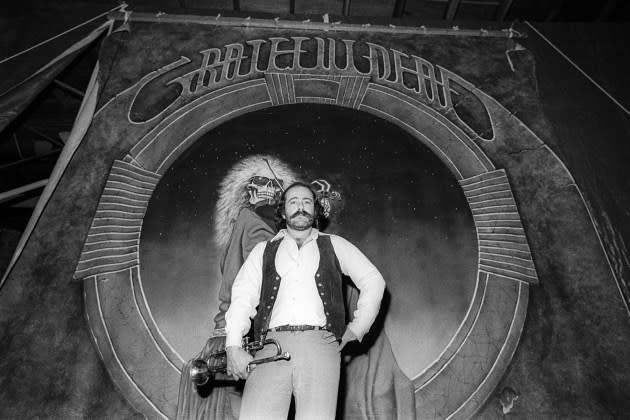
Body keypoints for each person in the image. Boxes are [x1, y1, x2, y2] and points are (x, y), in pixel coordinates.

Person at [225, 182, 386, 419]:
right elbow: (241, 297)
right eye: (293, 202)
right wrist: (233, 346)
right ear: (282, 212)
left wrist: (357, 328)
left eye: (307, 202)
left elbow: (374, 281)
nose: (301, 207)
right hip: (270, 345)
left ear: (315, 209)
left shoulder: (335, 244)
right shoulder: (263, 250)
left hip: (320, 345)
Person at [176, 155, 298, 420]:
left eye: (273, 184)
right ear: (250, 190)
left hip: (229, 332)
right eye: (261, 182)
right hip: (250, 334)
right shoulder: (257, 224)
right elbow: (267, 280)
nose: (268, 188)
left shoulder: (244, 223)